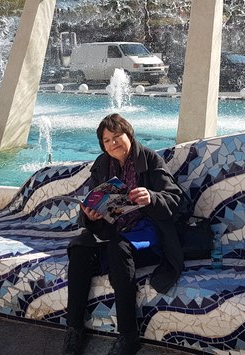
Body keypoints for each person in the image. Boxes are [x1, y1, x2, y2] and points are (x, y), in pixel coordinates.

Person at [63, 114, 183, 355]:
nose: (112, 143)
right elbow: (93, 200)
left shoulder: (149, 158)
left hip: (147, 231)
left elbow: (175, 199)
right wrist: (90, 215)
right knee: (79, 248)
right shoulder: (102, 164)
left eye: (117, 136)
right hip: (112, 229)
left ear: (129, 135)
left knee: (118, 248)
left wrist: (152, 197)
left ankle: (129, 335)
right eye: (106, 140)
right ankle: (74, 329)